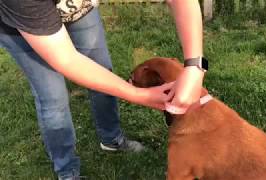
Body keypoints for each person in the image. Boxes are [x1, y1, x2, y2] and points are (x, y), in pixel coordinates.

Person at [0, 0, 205, 179]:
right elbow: (67, 59)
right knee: (53, 99)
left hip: (78, 9)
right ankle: (67, 170)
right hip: (24, 24)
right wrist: (137, 94)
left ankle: (111, 139)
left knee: (102, 70)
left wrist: (196, 67)